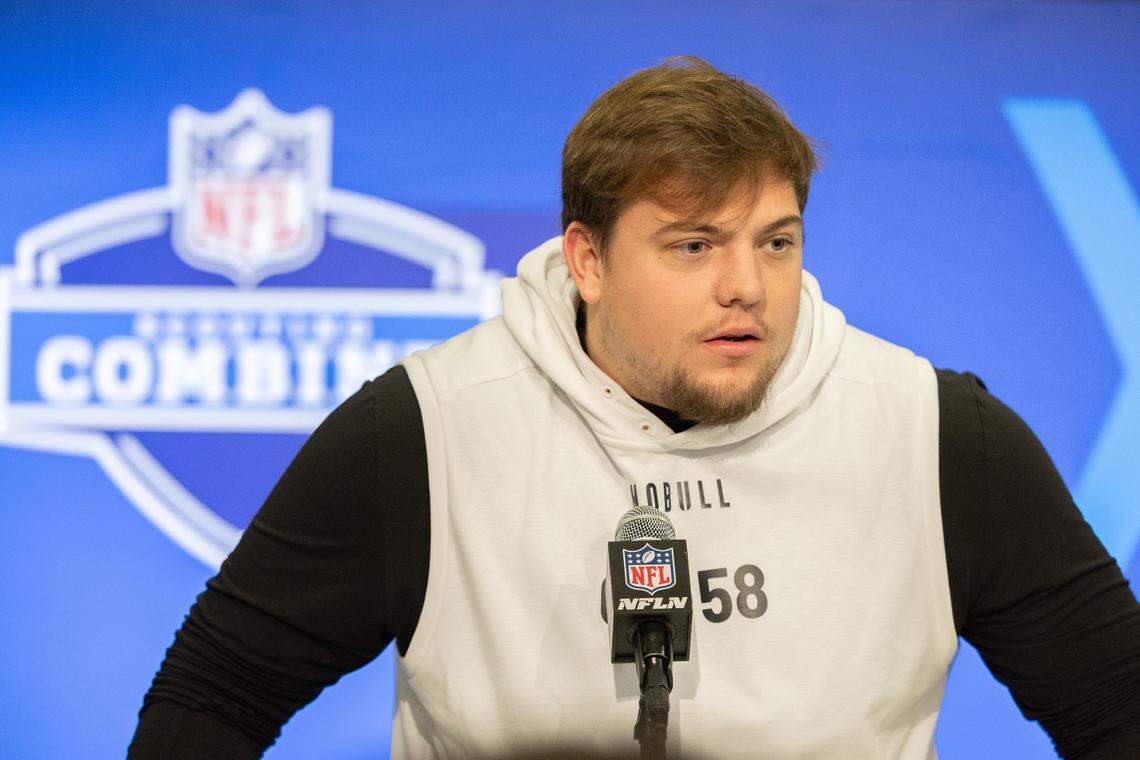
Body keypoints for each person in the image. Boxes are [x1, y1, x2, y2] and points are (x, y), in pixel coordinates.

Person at [128, 56, 1140, 759]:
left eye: (777, 242)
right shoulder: (429, 433)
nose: (748, 285)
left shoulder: (936, 437)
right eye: (695, 245)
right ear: (588, 259)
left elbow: (1115, 709)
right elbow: (212, 697)